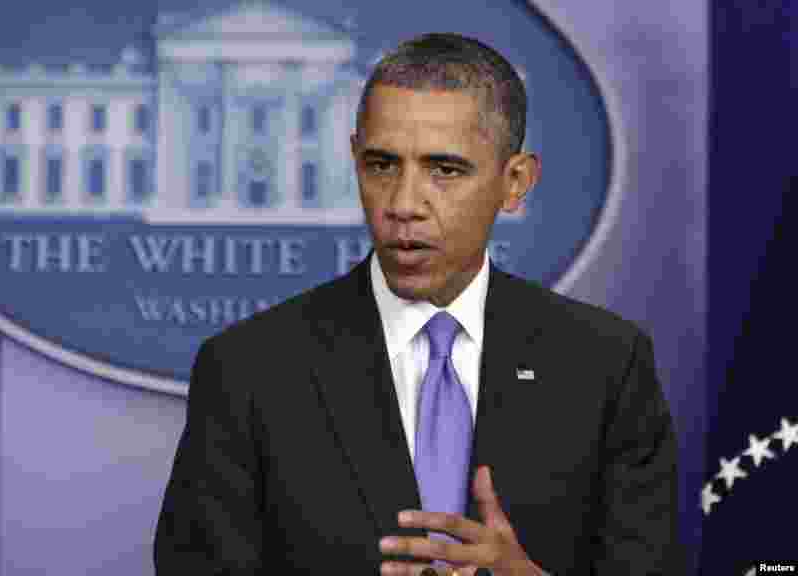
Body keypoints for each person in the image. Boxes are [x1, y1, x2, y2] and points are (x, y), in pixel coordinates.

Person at [154, 33, 682, 575]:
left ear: (515, 182)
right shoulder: (250, 370)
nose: (404, 204)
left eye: (445, 170)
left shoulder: (605, 367)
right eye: (382, 166)